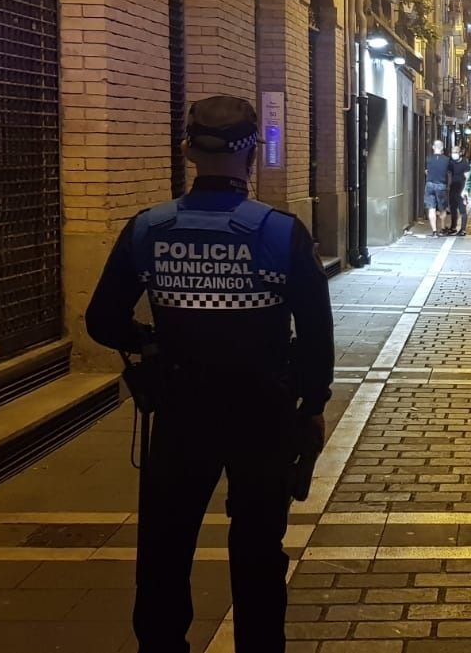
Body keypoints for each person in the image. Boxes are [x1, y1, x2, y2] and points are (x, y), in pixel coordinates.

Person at [85, 95, 334, 653]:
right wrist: (313, 407)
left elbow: (102, 320)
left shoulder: (149, 229)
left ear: (187, 150)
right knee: (258, 553)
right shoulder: (281, 233)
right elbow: (317, 333)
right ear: (253, 154)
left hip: (180, 413)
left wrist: (149, 342)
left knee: (165, 548)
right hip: (263, 417)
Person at [423, 139, 451, 235]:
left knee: (431, 208)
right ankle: (443, 228)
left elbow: (427, 171)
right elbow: (449, 172)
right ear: (442, 148)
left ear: (433, 147)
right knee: (442, 208)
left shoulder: (428, 159)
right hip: (441, 185)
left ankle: (434, 231)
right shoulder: (447, 160)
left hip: (429, 184)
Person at [447, 143, 469, 236]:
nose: (454, 154)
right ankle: (453, 227)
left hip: (462, 189)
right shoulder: (450, 162)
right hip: (453, 188)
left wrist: (466, 190)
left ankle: (463, 229)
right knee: (453, 209)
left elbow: (467, 177)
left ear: (460, 153)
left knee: (462, 210)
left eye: (456, 152)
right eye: (453, 152)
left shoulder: (465, 163)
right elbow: (448, 174)